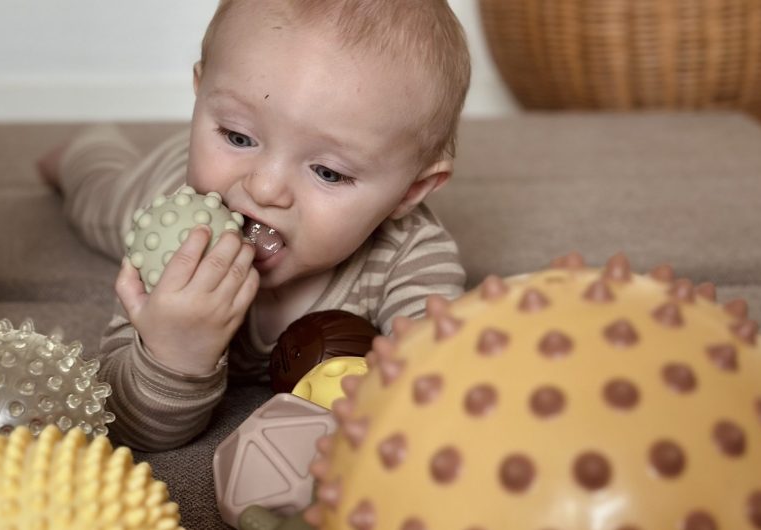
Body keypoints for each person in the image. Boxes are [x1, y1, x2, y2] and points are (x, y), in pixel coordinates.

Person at [38, 0, 471, 451]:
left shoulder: (409, 254)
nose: (263, 188)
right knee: (97, 198)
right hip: (158, 183)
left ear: (409, 192)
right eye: (237, 136)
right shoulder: (175, 250)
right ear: (200, 92)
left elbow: (444, 376)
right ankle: (85, 150)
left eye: (328, 171)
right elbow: (124, 424)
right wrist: (173, 354)